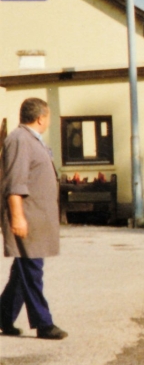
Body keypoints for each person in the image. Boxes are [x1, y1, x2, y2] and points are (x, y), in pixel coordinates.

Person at [1, 98, 67, 339]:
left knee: (23, 270)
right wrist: (17, 217)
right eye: (48, 117)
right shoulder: (19, 140)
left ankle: (3, 316)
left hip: (36, 218)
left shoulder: (30, 139)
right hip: (27, 217)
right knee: (32, 270)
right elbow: (14, 183)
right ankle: (43, 323)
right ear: (41, 118)